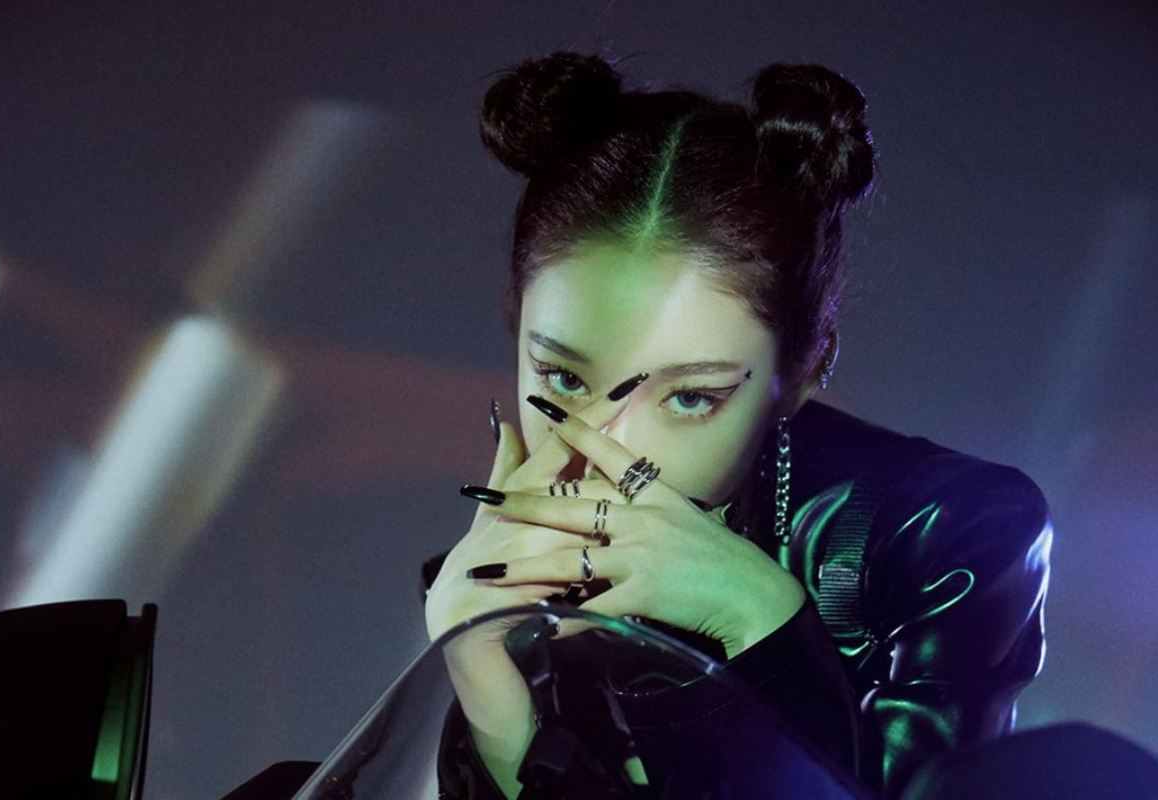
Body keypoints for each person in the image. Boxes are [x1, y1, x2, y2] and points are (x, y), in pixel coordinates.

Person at [419, 51, 1052, 799]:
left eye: (690, 397)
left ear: (805, 370)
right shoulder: (511, 577)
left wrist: (760, 619)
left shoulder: (948, 536)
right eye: (563, 379)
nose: (607, 453)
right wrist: (488, 691)